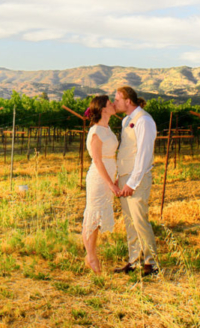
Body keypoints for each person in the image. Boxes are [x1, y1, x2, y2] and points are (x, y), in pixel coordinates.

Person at [113, 86, 160, 276]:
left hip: (136, 178)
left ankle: (152, 262)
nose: (114, 103)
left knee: (140, 220)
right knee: (129, 221)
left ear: (128, 101)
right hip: (125, 176)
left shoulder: (145, 121)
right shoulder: (126, 121)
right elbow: (127, 150)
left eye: (117, 99)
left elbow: (144, 155)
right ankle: (134, 260)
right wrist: (120, 177)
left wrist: (132, 183)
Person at [82, 95, 122, 274]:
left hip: (108, 174)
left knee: (97, 218)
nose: (114, 105)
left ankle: (90, 256)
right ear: (103, 109)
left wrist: (116, 177)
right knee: (93, 216)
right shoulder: (96, 131)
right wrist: (110, 184)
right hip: (99, 178)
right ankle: (91, 257)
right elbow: (97, 161)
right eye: (110, 103)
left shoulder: (107, 128)